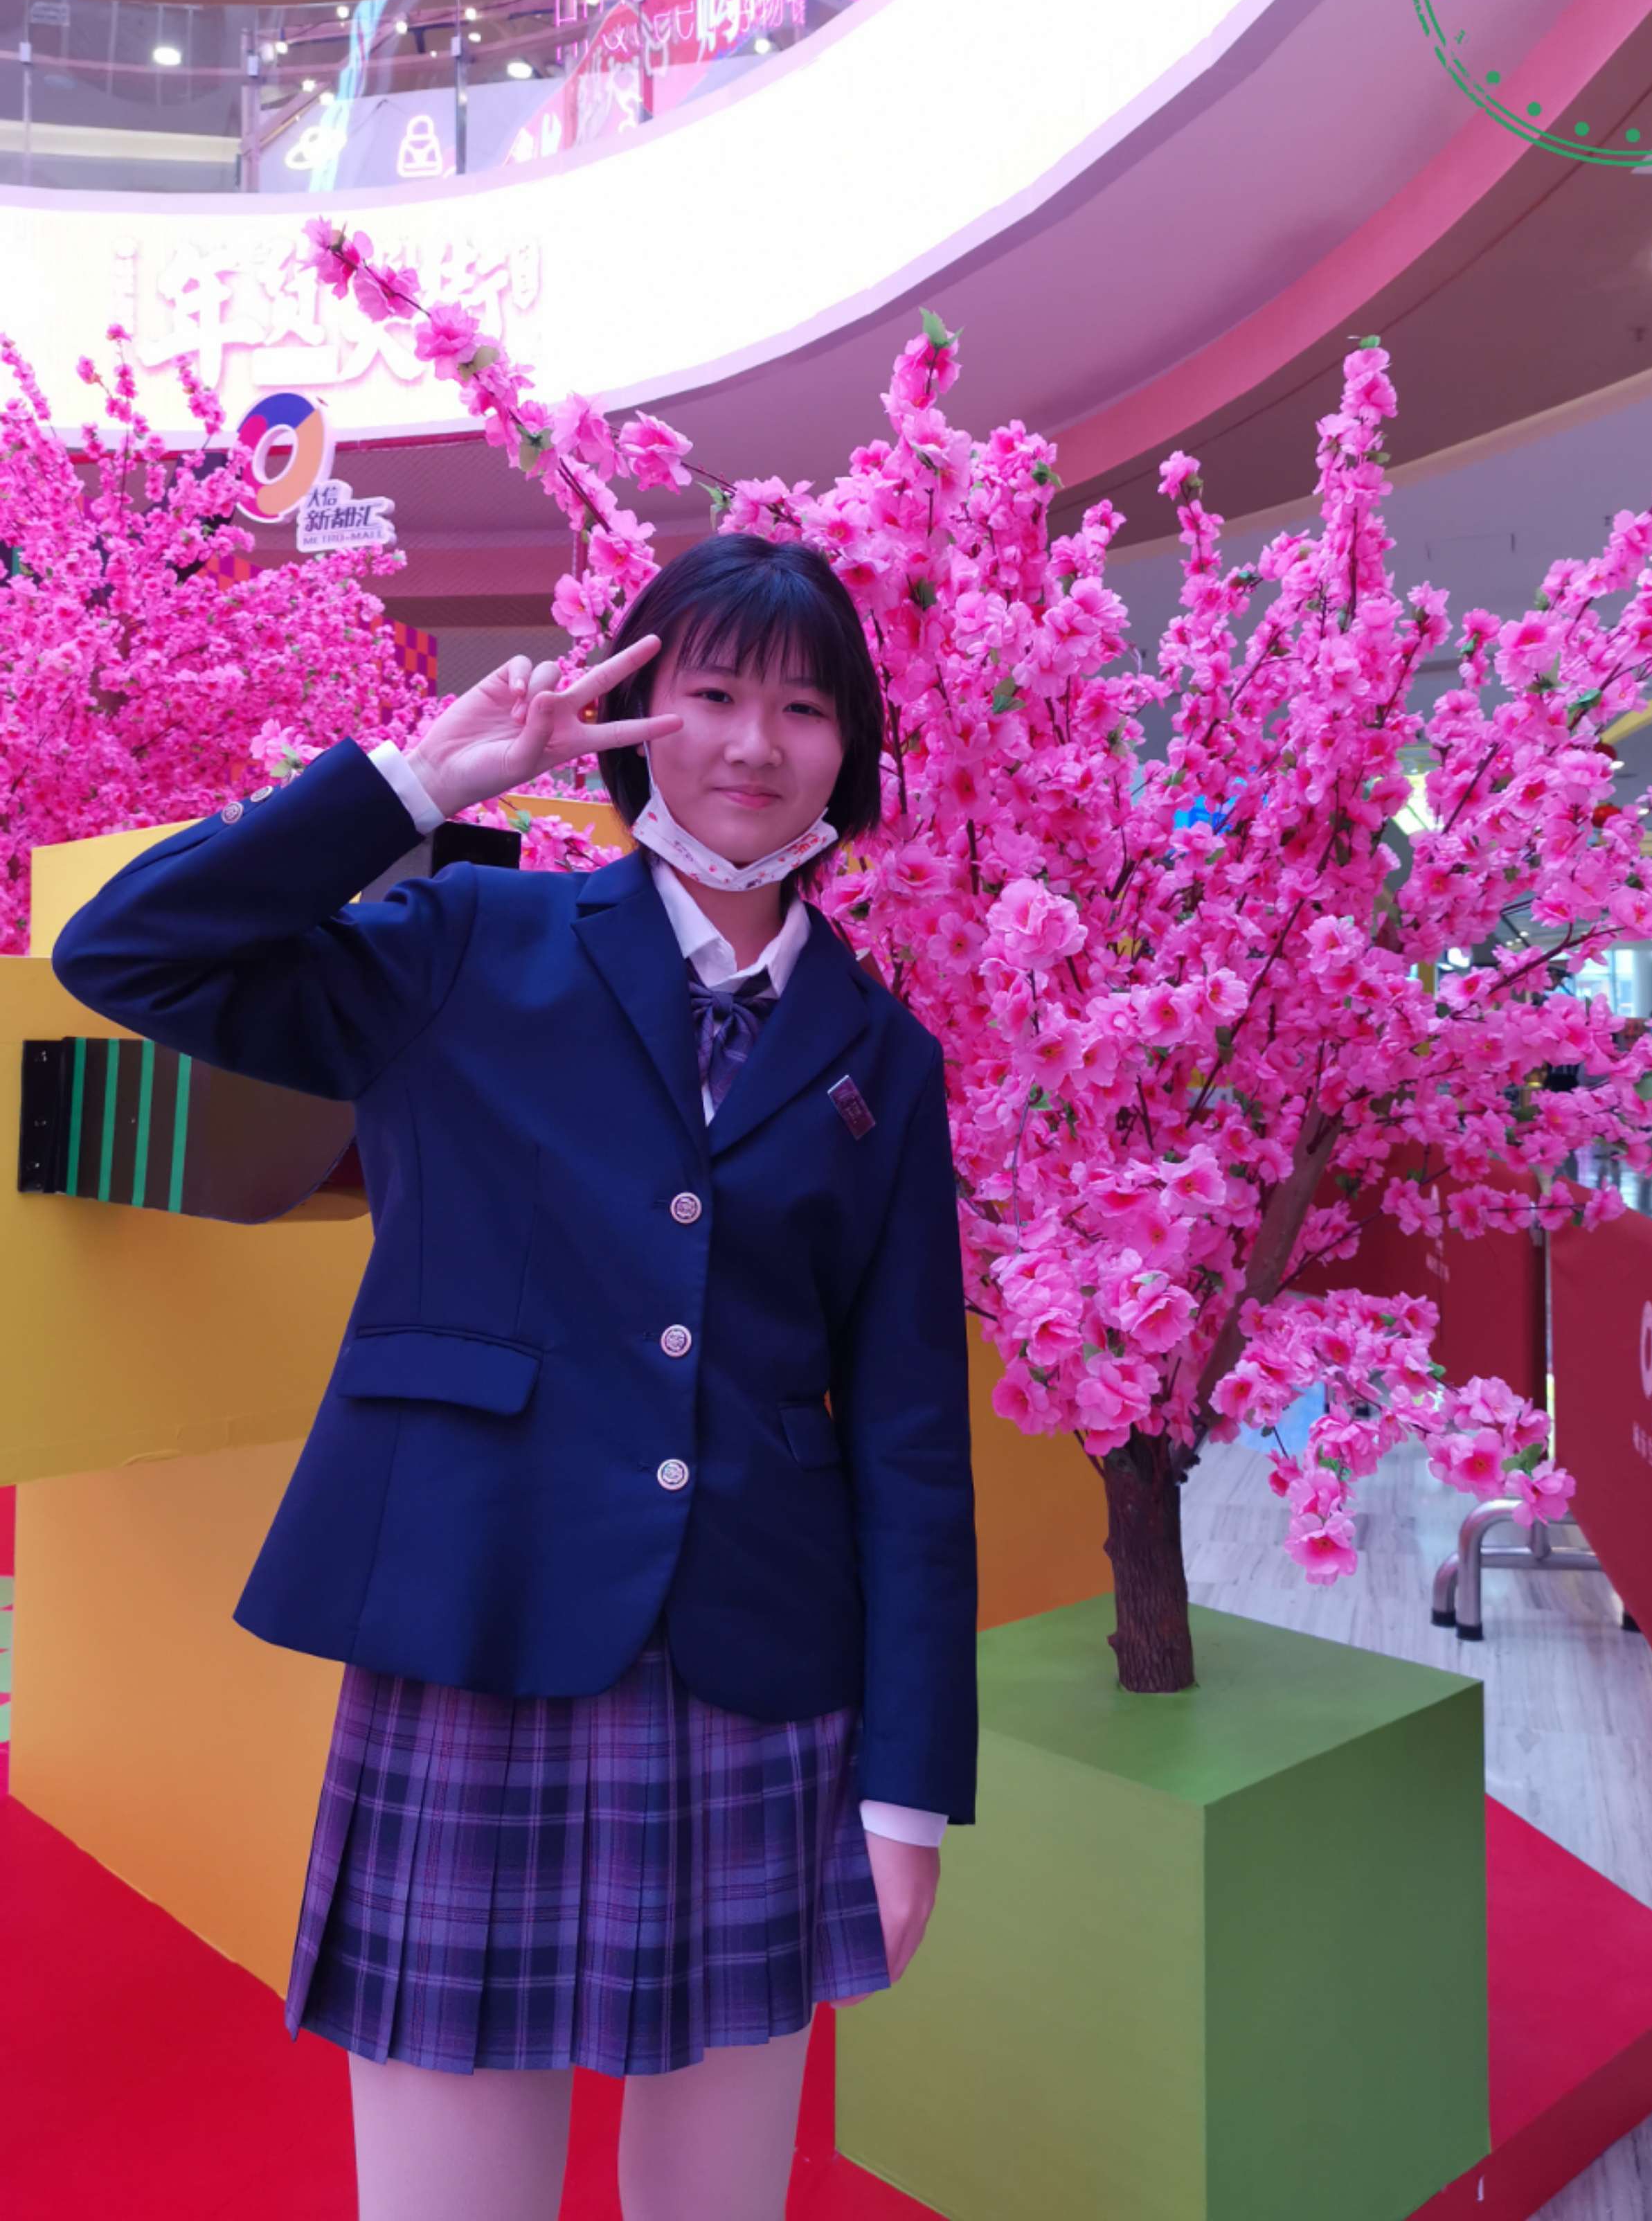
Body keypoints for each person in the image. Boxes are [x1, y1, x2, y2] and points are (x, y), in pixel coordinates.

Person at [48, 533, 980, 2221]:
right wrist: (418, 782)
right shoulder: (468, 940)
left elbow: (911, 1437)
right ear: (633, 713)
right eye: (710, 692)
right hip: (476, 1626)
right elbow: (132, 953)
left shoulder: (882, 1055)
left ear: (851, 746)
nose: (752, 744)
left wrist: (910, 1792)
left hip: (762, 1664)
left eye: (802, 708)